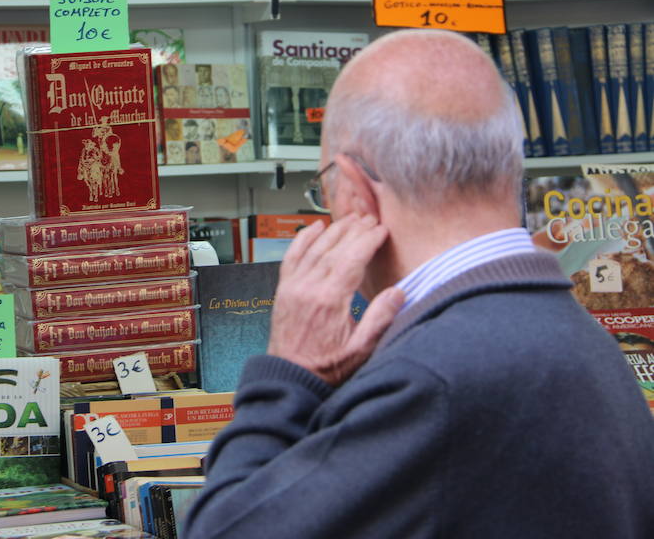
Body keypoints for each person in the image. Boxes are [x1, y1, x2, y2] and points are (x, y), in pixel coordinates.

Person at [184, 30, 654, 538]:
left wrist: (286, 375)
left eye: (325, 192)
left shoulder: (433, 377)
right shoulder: (589, 343)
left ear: (359, 193)